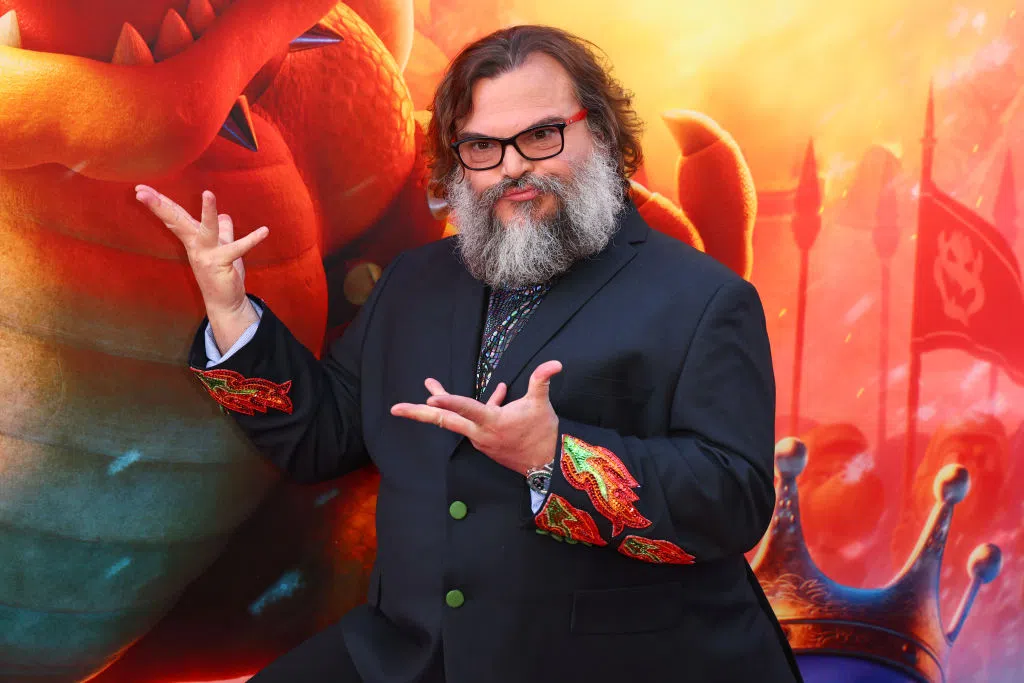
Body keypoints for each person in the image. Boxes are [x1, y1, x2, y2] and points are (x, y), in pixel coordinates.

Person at [136, 24, 801, 683]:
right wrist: (231, 310)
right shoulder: (415, 280)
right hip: (408, 653)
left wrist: (553, 456)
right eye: (482, 146)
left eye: (541, 136)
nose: (512, 166)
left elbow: (735, 501)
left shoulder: (705, 296)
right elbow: (323, 436)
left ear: (600, 133)